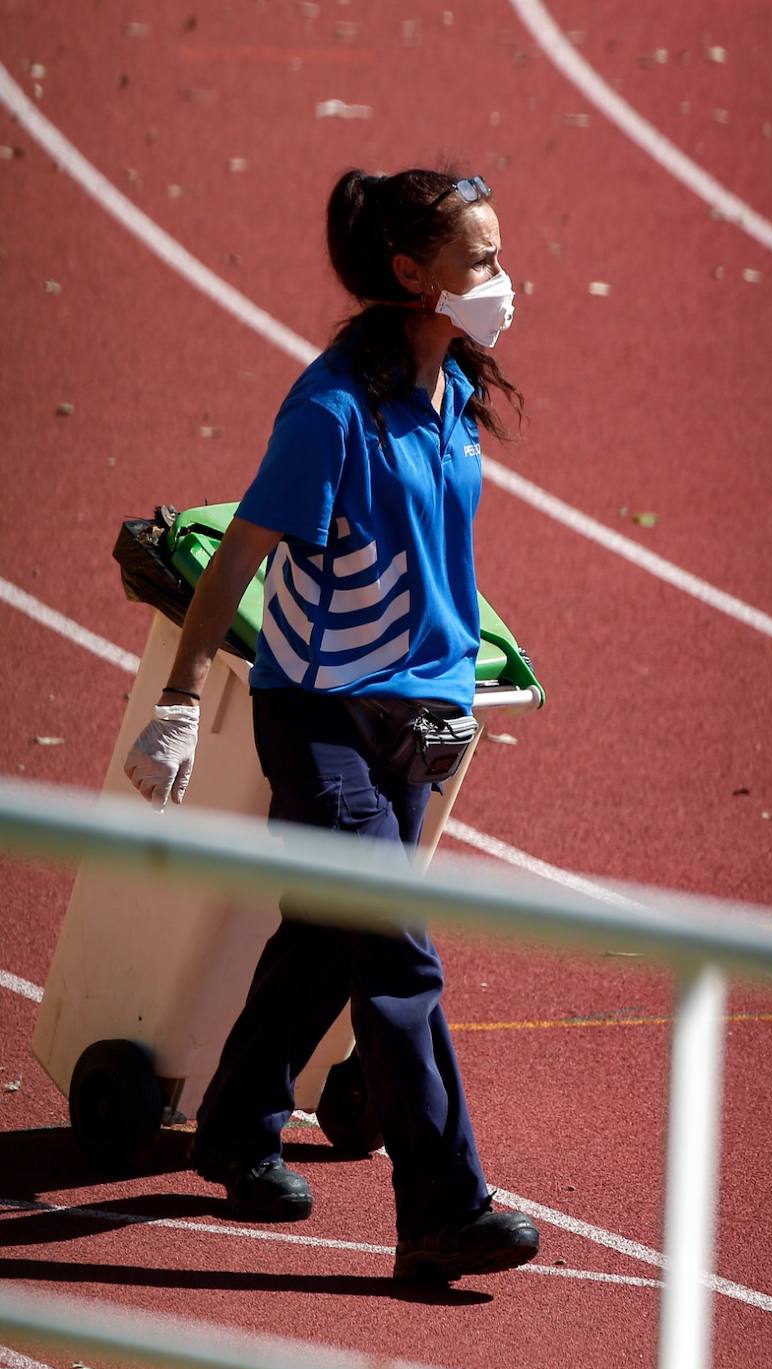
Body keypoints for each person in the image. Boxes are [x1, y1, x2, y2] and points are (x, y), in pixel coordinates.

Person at [122, 167, 539, 1284]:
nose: (506, 281)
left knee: (322, 934)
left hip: (418, 714)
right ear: (412, 274)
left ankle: (234, 1127)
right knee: (396, 950)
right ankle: (443, 1211)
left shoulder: (451, 390)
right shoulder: (331, 411)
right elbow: (238, 569)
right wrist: (176, 700)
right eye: (485, 261)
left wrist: (450, 699)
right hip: (318, 719)